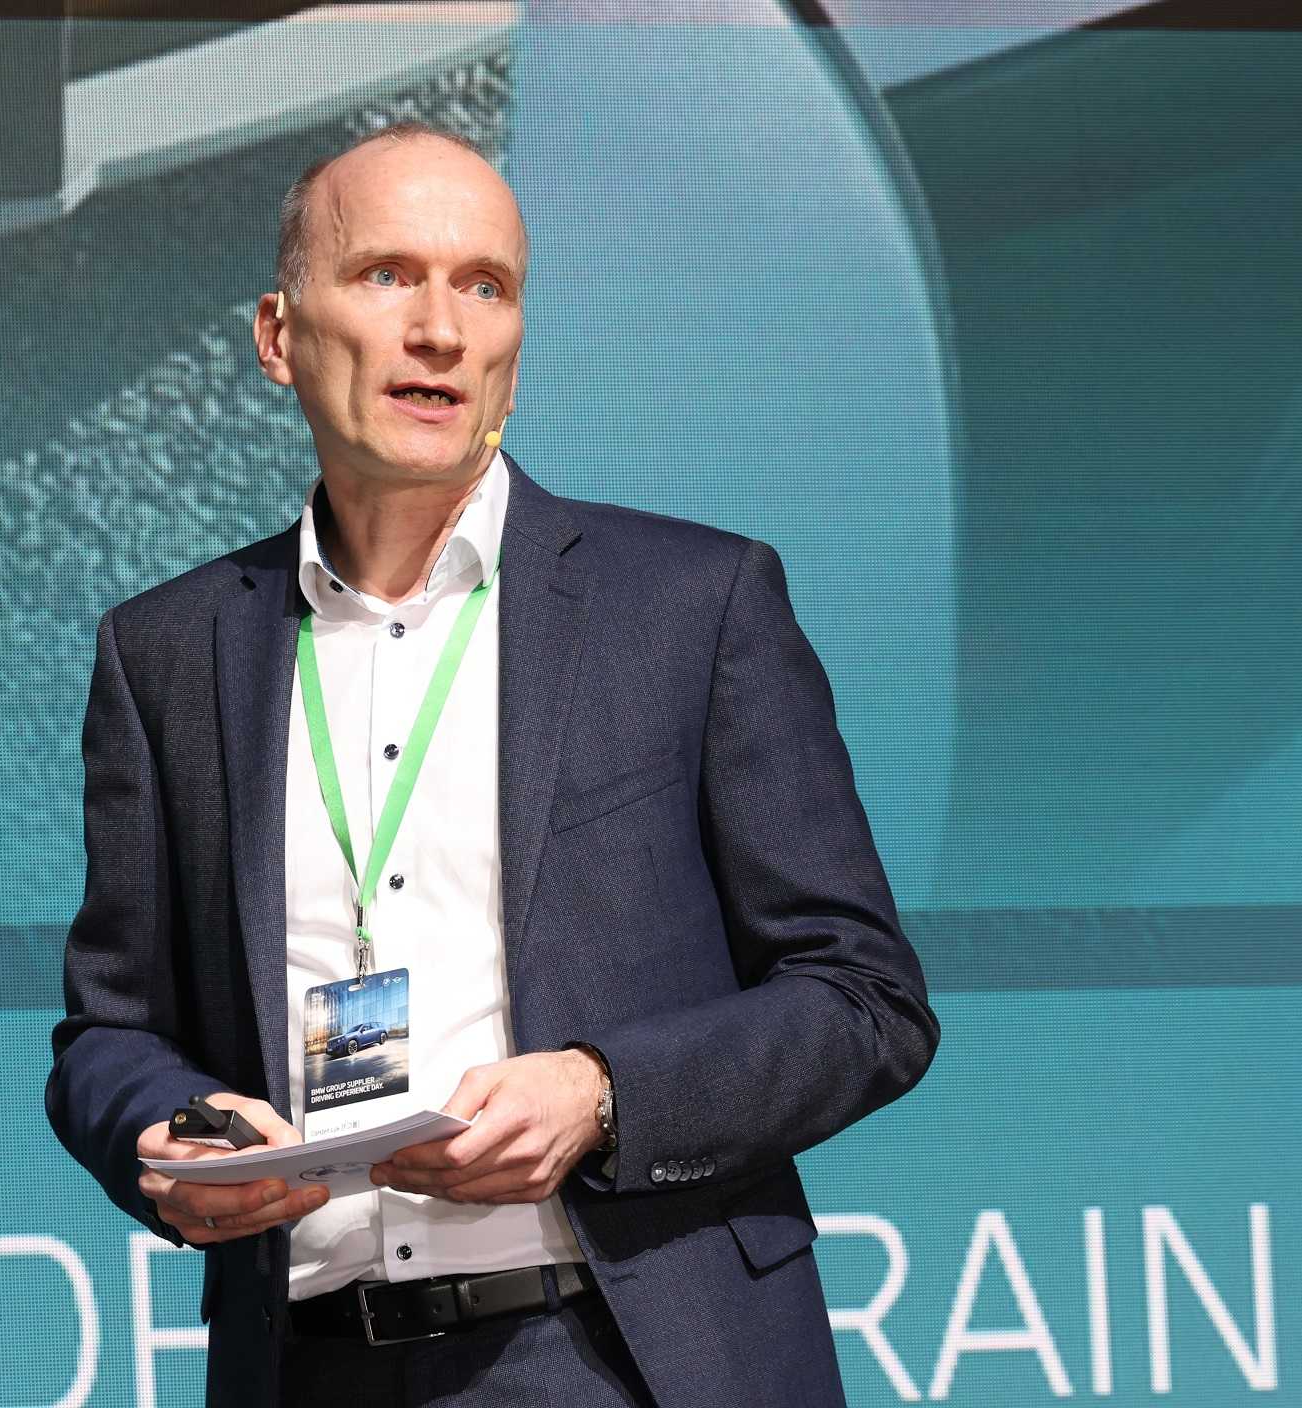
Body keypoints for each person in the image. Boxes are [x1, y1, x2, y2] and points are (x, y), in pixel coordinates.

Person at [46, 121, 939, 1407]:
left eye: (484, 286)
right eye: (386, 275)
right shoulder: (168, 653)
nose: (439, 329)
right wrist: (167, 1129)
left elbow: (863, 1000)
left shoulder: (690, 605)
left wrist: (602, 1095)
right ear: (278, 335)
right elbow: (111, 1030)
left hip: (621, 1355)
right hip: (310, 1367)